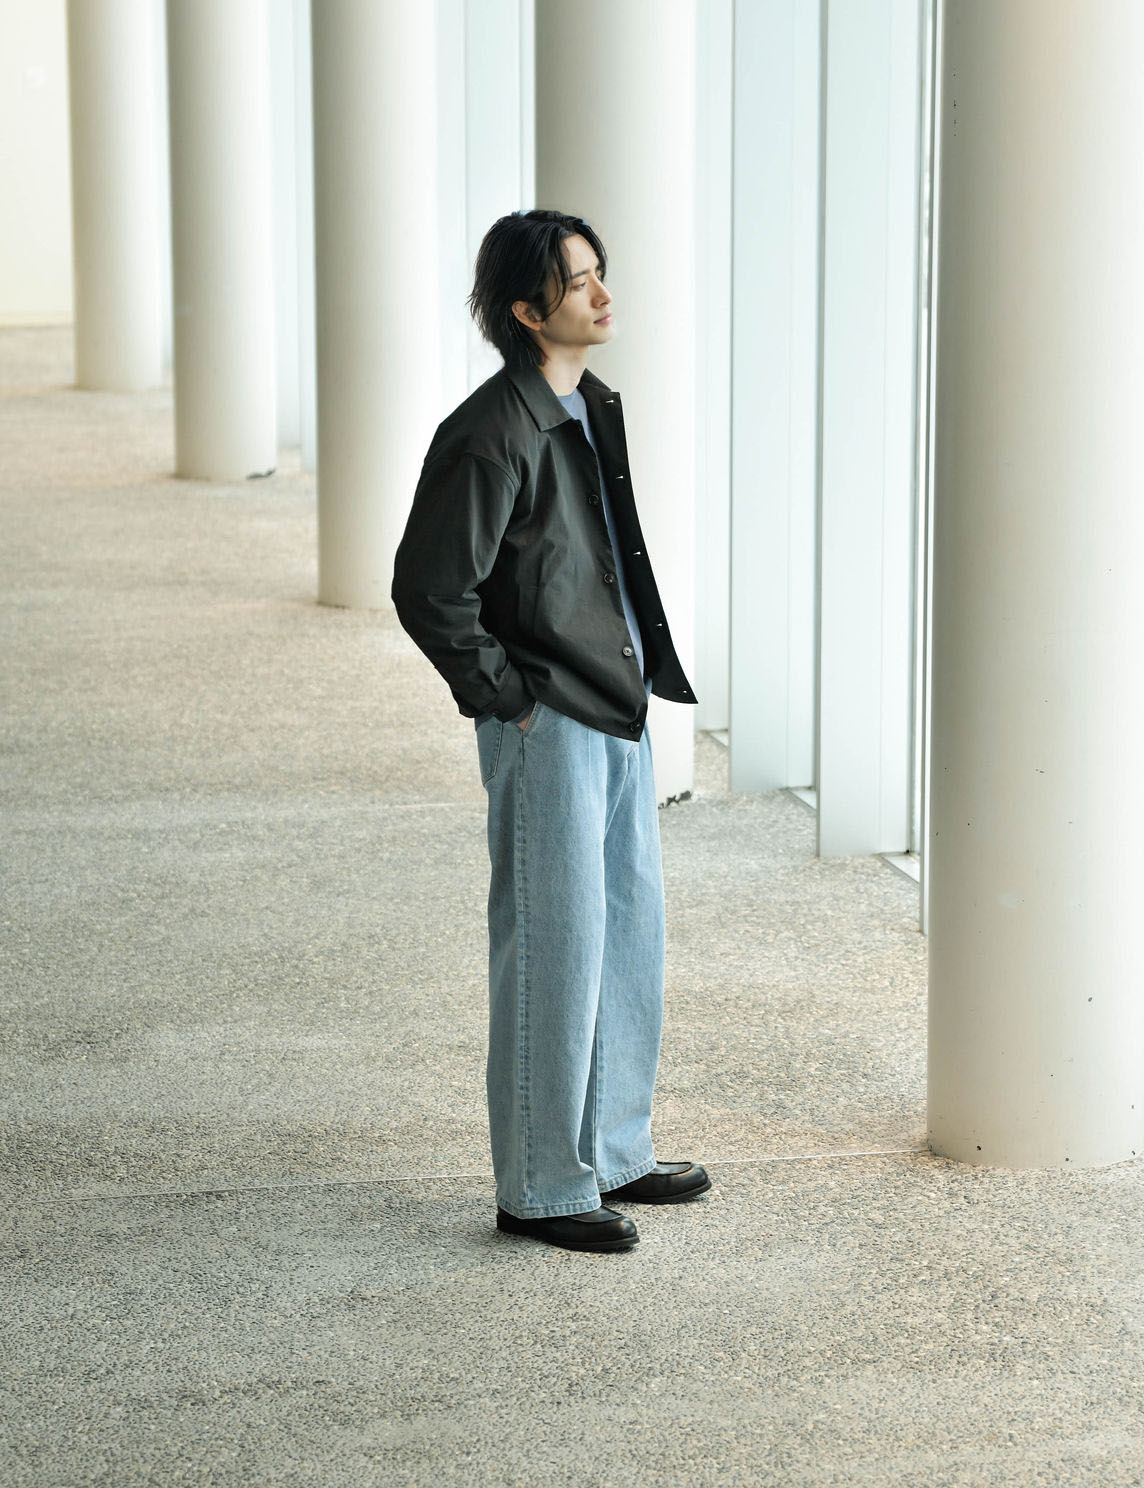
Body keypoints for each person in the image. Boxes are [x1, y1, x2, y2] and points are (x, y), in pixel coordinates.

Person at [391, 208, 711, 1253]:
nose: (603, 294)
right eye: (579, 282)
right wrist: (507, 698)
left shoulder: (586, 403)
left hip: (613, 701)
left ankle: (612, 1150)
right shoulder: (491, 433)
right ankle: (539, 1185)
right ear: (528, 311)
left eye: (598, 272)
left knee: (625, 934)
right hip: (548, 716)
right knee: (553, 949)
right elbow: (430, 589)